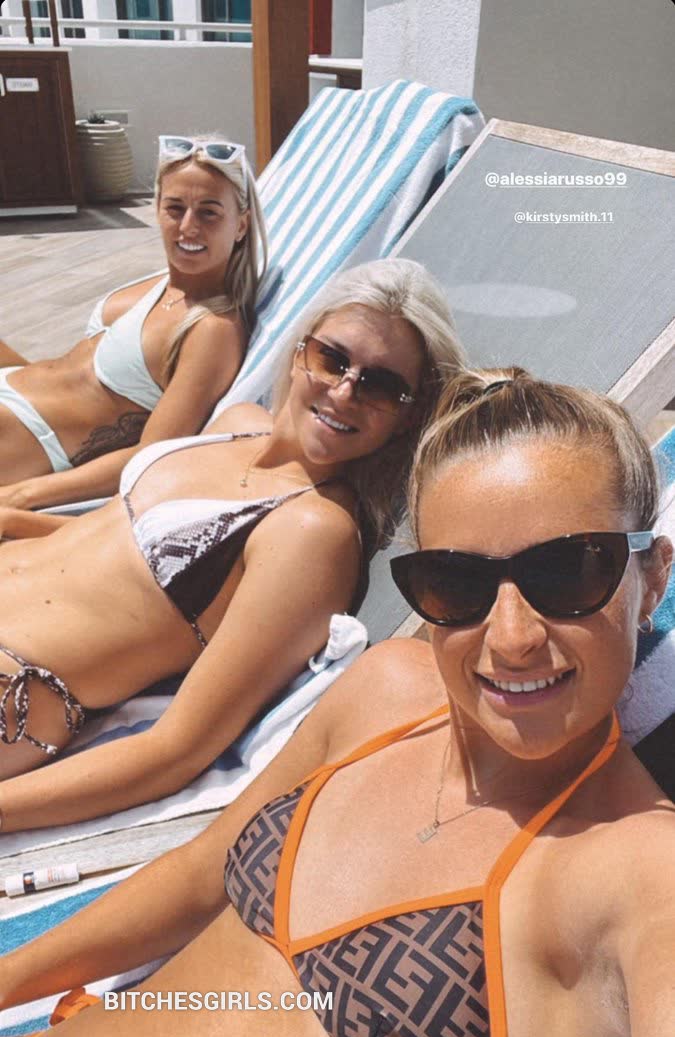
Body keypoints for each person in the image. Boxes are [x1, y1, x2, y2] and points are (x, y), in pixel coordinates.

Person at [0, 367, 672, 1037]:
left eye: (569, 572)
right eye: (457, 583)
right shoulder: (384, 691)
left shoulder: (642, 876)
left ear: (652, 577)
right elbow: (200, 874)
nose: (511, 637)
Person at [0, 258, 463, 826]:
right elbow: (112, 550)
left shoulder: (312, 531)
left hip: (16, 682)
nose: (345, 392)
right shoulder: (237, 422)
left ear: (406, 417)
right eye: (332, 359)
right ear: (300, 351)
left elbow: (178, 749)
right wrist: (16, 517)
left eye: (382, 385)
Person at [0, 133, 267, 508]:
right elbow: (71, 379)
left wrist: (18, 496)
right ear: (157, 209)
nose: (188, 227)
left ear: (241, 225)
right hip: (17, 389)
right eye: (175, 208)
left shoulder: (212, 329)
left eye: (209, 212)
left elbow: (151, 454)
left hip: (27, 435)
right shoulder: (163, 283)